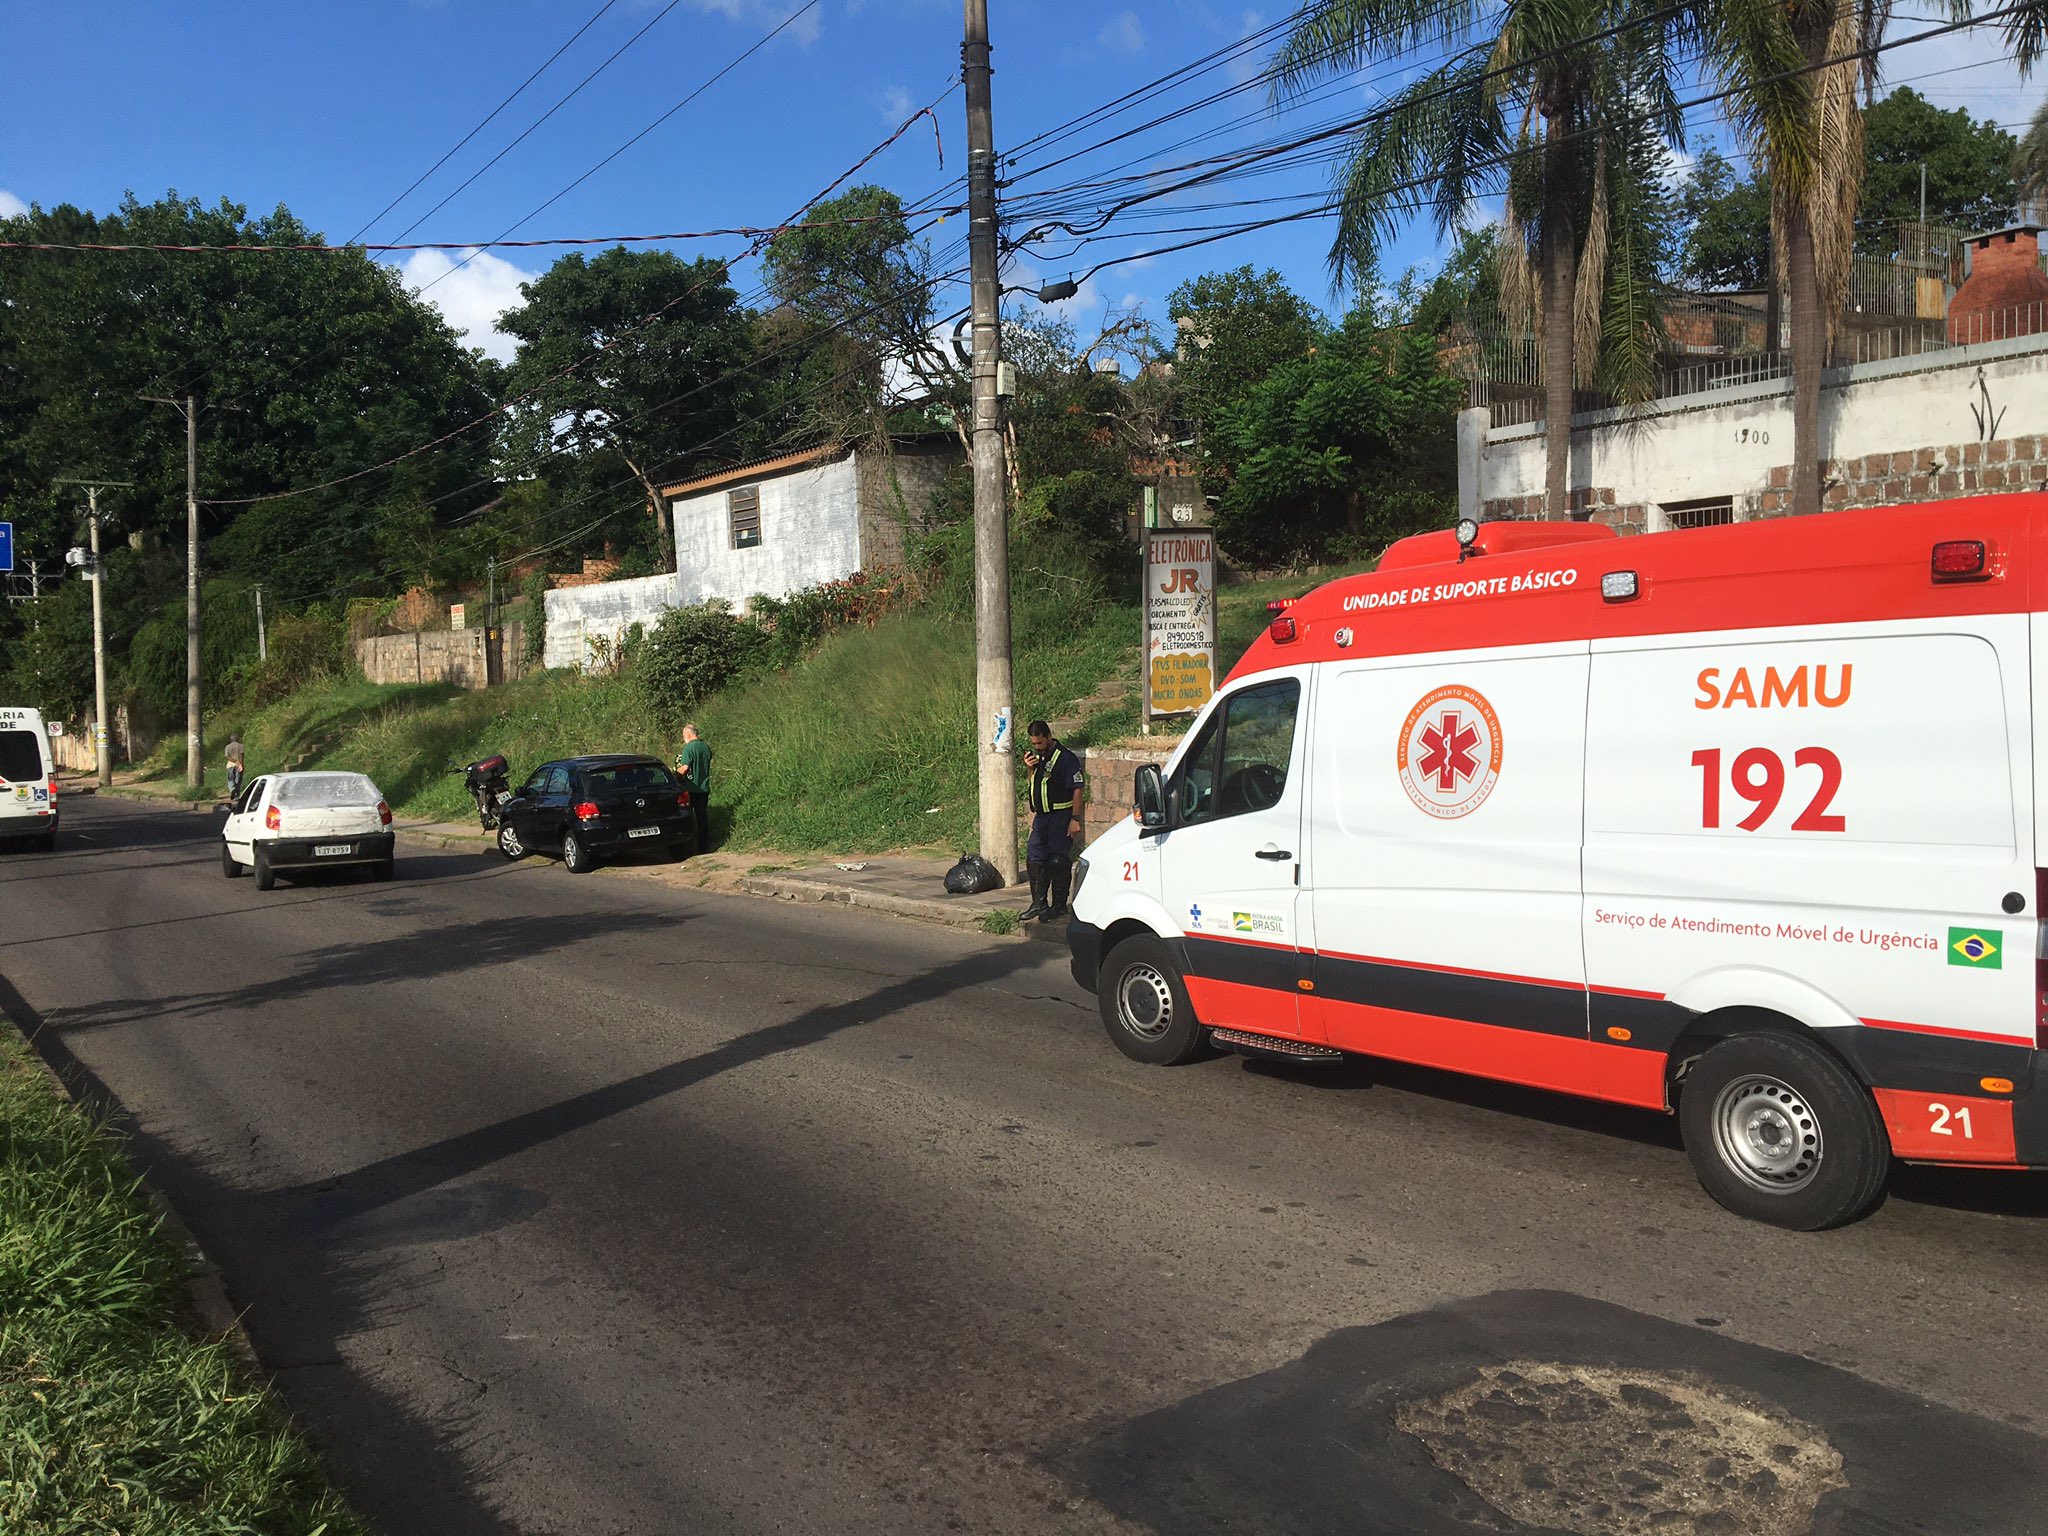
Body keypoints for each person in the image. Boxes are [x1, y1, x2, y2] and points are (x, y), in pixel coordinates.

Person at [1020, 719, 1084, 922]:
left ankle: (1059, 905)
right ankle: (1039, 903)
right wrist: (1029, 768)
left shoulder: (1066, 759)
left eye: (1040, 743)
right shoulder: (1037, 757)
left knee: (1058, 860)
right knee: (1034, 857)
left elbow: (1077, 789)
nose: (1037, 747)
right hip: (1042, 818)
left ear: (1048, 736)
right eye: (1033, 744)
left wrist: (1074, 819)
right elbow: (1034, 784)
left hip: (1061, 817)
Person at [676, 722, 713, 855]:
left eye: (683, 736)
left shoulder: (688, 748)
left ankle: (687, 847)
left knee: (687, 817)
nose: (683, 739)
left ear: (688, 734)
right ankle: (704, 846)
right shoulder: (706, 747)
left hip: (691, 788)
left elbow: (685, 767)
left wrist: (675, 775)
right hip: (704, 788)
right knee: (702, 817)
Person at [224, 733, 245, 801]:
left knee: (230, 779)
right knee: (238, 780)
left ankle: (232, 789)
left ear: (231, 739)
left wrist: (234, 761)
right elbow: (241, 755)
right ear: (237, 739)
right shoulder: (240, 746)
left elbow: (227, 756)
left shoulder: (227, 747)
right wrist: (240, 763)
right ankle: (236, 796)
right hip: (238, 765)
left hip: (230, 765)